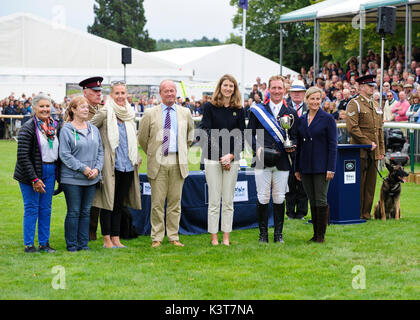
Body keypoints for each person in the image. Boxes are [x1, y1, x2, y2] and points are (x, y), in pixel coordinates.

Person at [138, 80, 195, 248]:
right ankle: (156, 237)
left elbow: (190, 136)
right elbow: (142, 138)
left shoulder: (185, 112)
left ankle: (173, 236)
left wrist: (181, 150)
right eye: (166, 91)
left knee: (174, 202)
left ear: (176, 92)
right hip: (158, 161)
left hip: (178, 161)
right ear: (160, 93)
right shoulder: (150, 113)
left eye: (172, 91)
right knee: (157, 202)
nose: (170, 94)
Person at [247, 75, 298, 243]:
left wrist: (293, 145)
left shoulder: (290, 112)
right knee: (262, 196)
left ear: (285, 90)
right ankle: (263, 235)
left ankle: (278, 234)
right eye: (273, 88)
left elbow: (295, 136)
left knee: (279, 197)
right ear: (268, 89)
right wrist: (258, 149)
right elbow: (249, 134)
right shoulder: (258, 110)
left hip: (282, 160)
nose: (277, 91)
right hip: (262, 159)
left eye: (280, 88)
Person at [91, 80, 142, 248]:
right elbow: (89, 129)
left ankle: (116, 238)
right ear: (111, 95)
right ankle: (106, 239)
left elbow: (132, 139)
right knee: (108, 203)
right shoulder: (105, 112)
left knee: (119, 204)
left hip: (128, 165)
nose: (120, 96)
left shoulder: (129, 113)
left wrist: (137, 157)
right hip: (110, 166)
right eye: (117, 93)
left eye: (123, 93)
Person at [200, 74, 245, 246]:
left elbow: (242, 135)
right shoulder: (209, 107)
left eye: (231, 86)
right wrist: (221, 157)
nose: (228, 88)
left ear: (234, 89)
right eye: (225, 85)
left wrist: (231, 156)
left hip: (232, 160)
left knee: (228, 201)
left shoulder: (240, 109)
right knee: (213, 201)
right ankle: (214, 238)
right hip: (213, 159)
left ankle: (226, 237)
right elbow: (206, 132)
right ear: (220, 87)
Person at [13, 93, 59, 253]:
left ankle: (44, 243)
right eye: (42, 106)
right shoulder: (28, 127)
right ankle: (29, 245)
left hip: (50, 170)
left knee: (46, 208)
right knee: (32, 208)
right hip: (30, 173)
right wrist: (34, 178)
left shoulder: (55, 125)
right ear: (34, 108)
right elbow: (23, 156)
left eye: (48, 106)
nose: (45, 109)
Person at [59, 96, 104, 251]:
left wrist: (97, 169)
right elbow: (65, 155)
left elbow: (100, 152)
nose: (86, 110)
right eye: (82, 107)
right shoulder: (66, 130)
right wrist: (83, 168)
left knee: (86, 212)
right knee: (74, 211)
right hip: (72, 179)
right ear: (73, 110)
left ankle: (83, 244)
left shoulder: (94, 129)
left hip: (91, 178)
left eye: (87, 107)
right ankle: (72, 244)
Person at [295, 87, 337, 243]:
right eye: (312, 99)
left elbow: (333, 145)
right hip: (305, 166)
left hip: (322, 166)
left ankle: (321, 236)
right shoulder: (301, 119)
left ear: (321, 100)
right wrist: (297, 168)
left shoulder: (327, 119)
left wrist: (331, 168)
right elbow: (299, 145)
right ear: (307, 100)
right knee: (311, 200)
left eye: (317, 99)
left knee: (320, 199)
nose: (315, 102)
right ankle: (315, 234)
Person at [346, 75, 385, 220]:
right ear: (361, 87)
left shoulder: (375, 104)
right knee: (359, 184)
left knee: (370, 184)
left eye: (373, 85)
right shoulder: (354, 104)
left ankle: (366, 213)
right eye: (369, 85)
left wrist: (381, 150)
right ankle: (356, 212)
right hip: (360, 151)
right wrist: (367, 142)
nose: (372, 88)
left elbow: (379, 129)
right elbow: (352, 128)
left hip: (374, 152)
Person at [286, 79, 308, 220]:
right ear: (290, 93)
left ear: (304, 93)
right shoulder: (285, 107)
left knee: (303, 183)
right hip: (289, 149)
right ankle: (289, 212)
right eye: (294, 92)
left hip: (305, 150)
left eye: (300, 92)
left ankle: (301, 212)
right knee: (289, 182)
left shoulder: (310, 106)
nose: (297, 94)